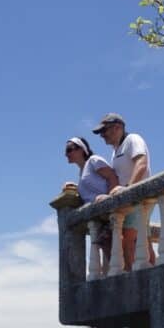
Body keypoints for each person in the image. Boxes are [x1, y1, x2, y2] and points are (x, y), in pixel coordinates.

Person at [92, 113, 155, 270]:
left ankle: (131, 276)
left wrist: (128, 190)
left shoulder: (133, 139)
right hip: (132, 197)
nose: (102, 135)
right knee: (143, 239)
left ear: (117, 127)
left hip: (138, 197)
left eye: (104, 131)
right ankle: (153, 271)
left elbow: (142, 163)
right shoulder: (115, 151)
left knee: (126, 238)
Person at [65, 137, 118, 267]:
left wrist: (110, 199)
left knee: (113, 250)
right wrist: (76, 187)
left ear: (81, 150)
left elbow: (112, 177)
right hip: (99, 217)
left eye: (69, 150)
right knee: (108, 250)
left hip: (108, 211)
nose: (66, 154)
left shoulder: (94, 161)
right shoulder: (81, 172)